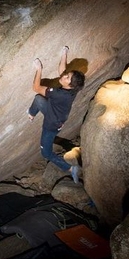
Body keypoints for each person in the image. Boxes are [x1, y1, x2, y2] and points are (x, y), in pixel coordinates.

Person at [27, 46, 85, 184]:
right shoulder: (73, 88)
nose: (63, 76)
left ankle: (71, 169)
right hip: (56, 113)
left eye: (67, 77)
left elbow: (36, 87)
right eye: (67, 75)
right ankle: (31, 113)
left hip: (51, 124)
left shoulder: (59, 94)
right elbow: (62, 71)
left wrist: (39, 69)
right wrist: (64, 54)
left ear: (69, 85)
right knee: (38, 100)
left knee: (46, 153)